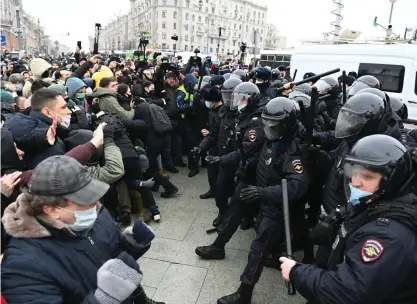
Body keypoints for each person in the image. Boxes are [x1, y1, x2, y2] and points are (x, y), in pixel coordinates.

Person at [1, 155, 164, 304]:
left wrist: (131, 246)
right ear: (52, 210)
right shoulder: (23, 267)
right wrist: (104, 299)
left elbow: (107, 257)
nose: (95, 203)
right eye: (84, 199)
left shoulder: (95, 212)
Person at [196, 97, 309, 304]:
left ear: (287, 124)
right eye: (266, 123)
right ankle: (218, 246)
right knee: (234, 209)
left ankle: (244, 292)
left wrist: (262, 193)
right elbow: (261, 158)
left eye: (273, 125)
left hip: (276, 205)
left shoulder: (295, 151)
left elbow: (296, 187)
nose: (268, 128)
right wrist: (247, 166)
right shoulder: (274, 140)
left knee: (258, 247)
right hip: (260, 190)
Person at [280, 134, 417, 304]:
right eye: (354, 173)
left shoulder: (389, 235)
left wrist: (296, 272)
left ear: (390, 181)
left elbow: (347, 292)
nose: (355, 182)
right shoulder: (376, 203)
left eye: (367, 176)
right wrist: (336, 218)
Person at [4, 88, 93, 169]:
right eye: (63, 107)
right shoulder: (51, 144)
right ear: (47, 111)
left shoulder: (33, 128)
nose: (69, 111)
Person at [191, 85, 224, 199]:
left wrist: (209, 133)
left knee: (216, 172)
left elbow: (218, 131)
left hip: (219, 146)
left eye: (207, 100)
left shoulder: (222, 112)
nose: (205, 102)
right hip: (212, 144)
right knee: (212, 171)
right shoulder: (212, 110)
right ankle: (214, 190)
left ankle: (218, 192)